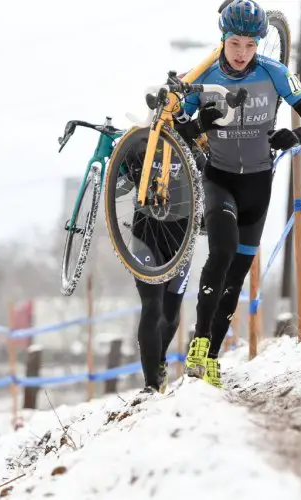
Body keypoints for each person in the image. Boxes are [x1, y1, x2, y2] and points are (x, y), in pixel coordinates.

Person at [174, 0, 301, 387]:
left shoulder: (274, 73)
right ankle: (198, 342)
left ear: (259, 44)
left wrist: (296, 136)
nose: (243, 53)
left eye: (250, 45)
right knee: (222, 251)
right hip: (219, 178)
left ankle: (211, 360)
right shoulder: (204, 75)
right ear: (223, 39)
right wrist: (199, 124)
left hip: (258, 185)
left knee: (236, 277)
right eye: (236, 43)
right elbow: (178, 132)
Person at [116, 132, 208, 394]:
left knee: (170, 314)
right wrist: (128, 168)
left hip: (181, 239)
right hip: (146, 233)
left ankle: (160, 362)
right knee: (151, 304)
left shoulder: (197, 150)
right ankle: (151, 386)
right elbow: (120, 183)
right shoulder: (143, 143)